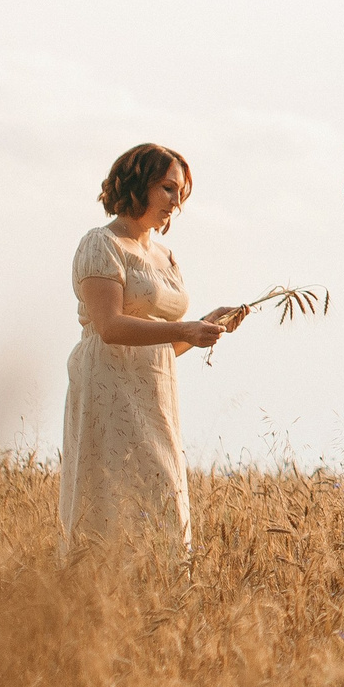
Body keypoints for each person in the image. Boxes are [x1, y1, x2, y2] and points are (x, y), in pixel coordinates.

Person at [62, 144, 252, 553]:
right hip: (107, 388)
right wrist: (184, 327)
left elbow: (161, 344)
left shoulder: (165, 256)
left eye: (180, 192)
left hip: (155, 391)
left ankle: (162, 590)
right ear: (137, 184)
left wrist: (205, 326)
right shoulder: (102, 244)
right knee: (110, 504)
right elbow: (109, 327)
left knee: (164, 505)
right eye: (167, 188)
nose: (175, 201)